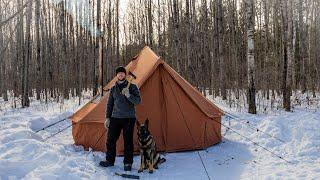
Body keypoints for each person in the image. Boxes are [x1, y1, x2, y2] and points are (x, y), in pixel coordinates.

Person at [99, 66, 141, 171]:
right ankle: (109, 160)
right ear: (116, 75)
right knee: (110, 140)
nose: (121, 75)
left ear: (125, 75)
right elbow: (110, 104)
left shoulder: (133, 87)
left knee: (128, 141)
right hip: (115, 118)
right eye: (119, 73)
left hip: (128, 118)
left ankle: (128, 163)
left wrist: (129, 95)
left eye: (122, 73)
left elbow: (138, 101)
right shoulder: (113, 89)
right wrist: (107, 118)